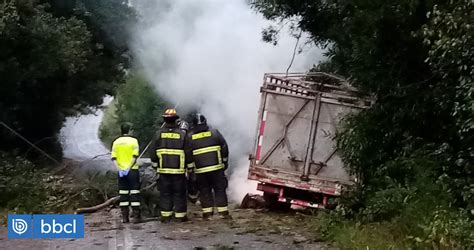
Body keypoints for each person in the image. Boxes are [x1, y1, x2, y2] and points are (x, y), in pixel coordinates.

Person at [150, 108, 193, 222]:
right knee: (179, 194)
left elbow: (153, 153)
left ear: (164, 120)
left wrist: (155, 167)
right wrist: (190, 168)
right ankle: (180, 217)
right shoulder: (182, 134)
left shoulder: (158, 134)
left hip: (163, 172)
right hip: (178, 172)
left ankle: (166, 216)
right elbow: (188, 152)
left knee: (165, 194)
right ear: (176, 120)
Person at [188, 113, 230, 219]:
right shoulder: (215, 133)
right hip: (217, 169)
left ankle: (207, 215)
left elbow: (187, 155)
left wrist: (190, 170)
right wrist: (224, 162)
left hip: (200, 172)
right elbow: (224, 148)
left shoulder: (190, 137)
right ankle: (223, 214)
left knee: (204, 191)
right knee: (220, 190)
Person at [111, 123, 141, 223]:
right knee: (134, 192)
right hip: (132, 170)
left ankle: (125, 217)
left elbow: (113, 158)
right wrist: (129, 167)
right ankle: (136, 216)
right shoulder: (134, 141)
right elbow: (134, 156)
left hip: (121, 172)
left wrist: (120, 169)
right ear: (130, 130)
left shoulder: (116, 142)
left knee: (123, 193)